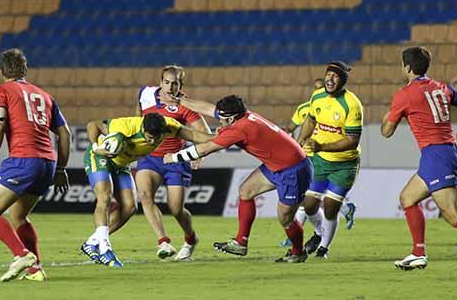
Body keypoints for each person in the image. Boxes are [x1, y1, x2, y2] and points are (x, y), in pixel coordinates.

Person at [163, 95, 313, 263]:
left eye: (222, 120)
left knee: (285, 218)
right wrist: (181, 102)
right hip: (278, 164)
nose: (220, 122)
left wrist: (174, 157)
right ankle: (241, 242)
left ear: (232, 118)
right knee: (246, 191)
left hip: (293, 170)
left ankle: (298, 252)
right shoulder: (242, 116)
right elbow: (208, 109)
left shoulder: (239, 129)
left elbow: (206, 149)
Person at [0, 48, 71, 282]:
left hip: (23, 160)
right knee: (19, 215)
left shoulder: (0, 91)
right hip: (47, 164)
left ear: (1, 71)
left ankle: (21, 255)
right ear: (25, 70)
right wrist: (61, 169)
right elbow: (65, 132)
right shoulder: (45, 96)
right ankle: (35, 269)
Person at [80, 112, 213, 266]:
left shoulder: (170, 126)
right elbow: (93, 124)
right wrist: (96, 148)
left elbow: (195, 135)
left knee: (130, 207)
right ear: (143, 128)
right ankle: (104, 248)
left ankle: (92, 242)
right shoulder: (126, 126)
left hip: (121, 164)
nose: (152, 141)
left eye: (157, 138)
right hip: (100, 156)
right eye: (149, 137)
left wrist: (223, 137)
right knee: (104, 197)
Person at [381, 46, 457, 270]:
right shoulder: (442, 88)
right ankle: (418, 253)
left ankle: (420, 253)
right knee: (407, 199)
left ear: (408, 67)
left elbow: (386, 132)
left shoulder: (404, 95)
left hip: (437, 154)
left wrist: (388, 115)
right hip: (443, 152)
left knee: (454, 217)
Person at [135, 65, 211, 261]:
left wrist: (199, 155)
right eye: (166, 82)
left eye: (174, 83)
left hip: (175, 159)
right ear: (160, 82)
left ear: (180, 85)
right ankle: (163, 241)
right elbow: (137, 119)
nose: (170, 87)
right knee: (144, 194)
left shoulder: (186, 105)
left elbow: (204, 134)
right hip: (150, 157)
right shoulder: (146, 94)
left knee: (176, 208)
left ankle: (191, 237)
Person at [295, 61, 363, 259]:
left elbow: (352, 140)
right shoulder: (317, 96)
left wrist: (322, 146)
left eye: (335, 76)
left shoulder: (352, 104)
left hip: (344, 164)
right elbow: (310, 120)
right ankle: (318, 232)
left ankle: (324, 248)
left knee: (331, 208)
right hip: (320, 161)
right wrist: (300, 141)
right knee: (308, 205)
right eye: (328, 75)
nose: (330, 79)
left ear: (343, 81)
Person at [279, 77, 358, 247]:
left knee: (309, 199)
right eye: (315, 89)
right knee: (306, 199)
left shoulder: (339, 106)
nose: (318, 91)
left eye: (320, 88)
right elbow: (290, 129)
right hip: (306, 156)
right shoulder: (304, 109)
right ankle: (341, 212)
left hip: (323, 156)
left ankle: (315, 235)